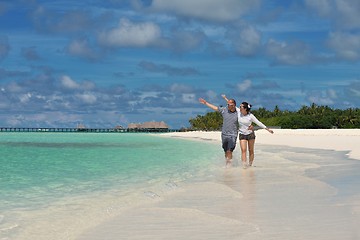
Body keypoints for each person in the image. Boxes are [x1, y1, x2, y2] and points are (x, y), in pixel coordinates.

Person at [222, 95, 274, 169]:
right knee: (243, 150)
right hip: (242, 134)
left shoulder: (251, 116)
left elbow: (258, 123)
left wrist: (267, 129)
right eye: (239, 106)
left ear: (245, 109)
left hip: (250, 135)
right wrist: (225, 98)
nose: (239, 108)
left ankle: (250, 165)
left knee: (251, 150)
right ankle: (244, 165)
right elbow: (231, 104)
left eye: (241, 107)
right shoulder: (238, 112)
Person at [198, 97, 238, 167]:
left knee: (229, 150)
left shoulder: (238, 112)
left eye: (230, 105)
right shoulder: (224, 110)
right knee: (225, 151)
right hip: (224, 134)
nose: (228, 106)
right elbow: (215, 108)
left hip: (233, 135)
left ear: (234, 105)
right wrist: (206, 103)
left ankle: (229, 166)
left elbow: (246, 118)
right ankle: (228, 162)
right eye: (228, 104)